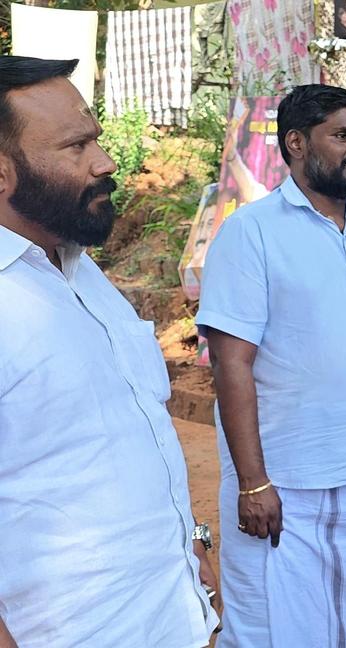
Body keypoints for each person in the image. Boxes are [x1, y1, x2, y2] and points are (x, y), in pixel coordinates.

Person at [196, 84, 346, 647]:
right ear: (297, 143)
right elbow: (232, 363)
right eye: (342, 135)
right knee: (280, 629)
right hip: (287, 487)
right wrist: (253, 483)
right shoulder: (251, 233)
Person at [0, 56, 219, 646]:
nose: (107, 162)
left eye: (95, 138)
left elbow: (130, 434)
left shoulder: (81, 272)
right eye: (76, 147)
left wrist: (190, 542)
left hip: (170, 614)